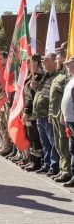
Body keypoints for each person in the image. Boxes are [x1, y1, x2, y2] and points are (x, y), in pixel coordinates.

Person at [33, 53, 59, 177]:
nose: (44, 64)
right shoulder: (45, 76)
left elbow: (53, 98)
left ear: (55, 62)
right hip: (39, 114)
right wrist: (34, 88)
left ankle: (54, 166)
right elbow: (42, 94)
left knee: (53, 142)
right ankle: (47, 164)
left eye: (47, 61)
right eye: (43, 62)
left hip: (48, 115)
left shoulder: (57, 76)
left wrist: (50, 113)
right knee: (45, 143)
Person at [49, 43, 72, 183]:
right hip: (56, 114)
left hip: (64, 115)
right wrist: (51, 113)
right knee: (58, 143)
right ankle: (63, 169)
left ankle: (67, 171)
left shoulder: (67, 76)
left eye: (57, 58)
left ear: (63, 59)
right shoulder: (58, 75)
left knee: (64, 143)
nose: (56, 60)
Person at [22, 54, 43, 172]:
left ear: (35, 63)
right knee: (30, 135)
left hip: (33, 112)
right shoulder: (30, 76)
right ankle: (32, 159)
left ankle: (37, 162)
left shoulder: (38, 77)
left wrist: (26, 111)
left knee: (35, 137)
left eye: (28, 62)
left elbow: (31, 96)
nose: (26, 64)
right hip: (28, 111)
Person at [61, 56, 74, 187]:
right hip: (69, 119)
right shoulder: (70, 80)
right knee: (72, 149)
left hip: (73, 119)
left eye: (69, 64)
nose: (67, 66)